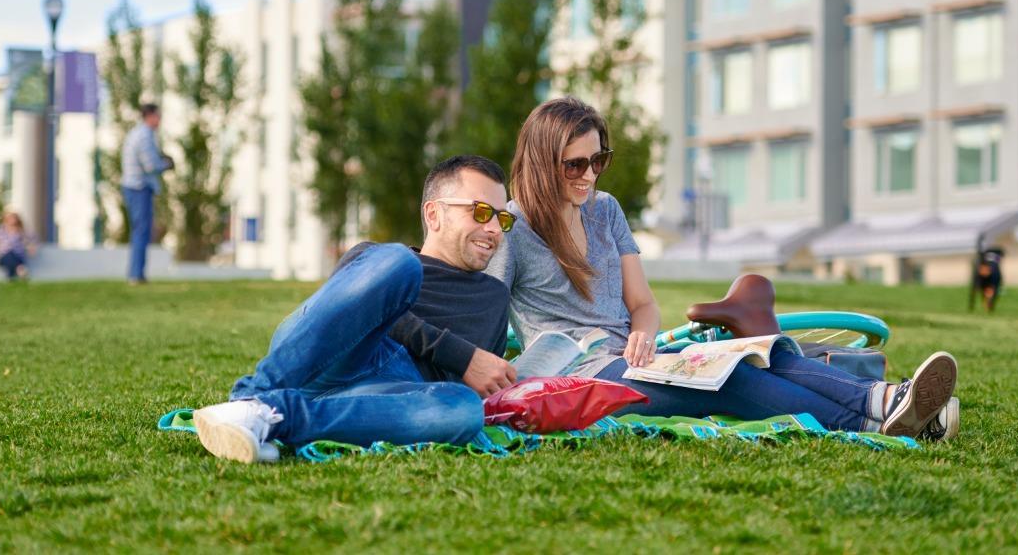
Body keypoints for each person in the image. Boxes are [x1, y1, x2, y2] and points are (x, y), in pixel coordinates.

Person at [487, 96, 959, 439]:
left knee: (760, 352)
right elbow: (482, 317)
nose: (589, 176)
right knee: (734, 379)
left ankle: (887, 401)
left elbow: (643, 304)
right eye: (575, 165)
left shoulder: (605, 208)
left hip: (635, 358)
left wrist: (643, 333)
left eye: (599, 160)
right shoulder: (512, 227)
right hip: (585, 377)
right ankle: (877, 422)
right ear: (543, 161)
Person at [192, 155, 518, 463]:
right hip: (323, 361)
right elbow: (336, 323)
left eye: (502, 218)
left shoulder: (494, 297)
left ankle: (268, 415)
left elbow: (471, 384)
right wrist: (460, 355)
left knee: (463, 411)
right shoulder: (377, 261)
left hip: (390, 394)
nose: (493, 228)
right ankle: (255, 395)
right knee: (401, 264)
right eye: (479, 212)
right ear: (433, 214)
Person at [121, 102, 172, 285]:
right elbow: (150, 165)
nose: (159, 120)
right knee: (142, 232)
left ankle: (137, 274)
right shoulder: (144, 136)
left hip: (135, 187)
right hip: (139, 188)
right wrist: (166, 164)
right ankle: (136, 275)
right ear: (149, 116)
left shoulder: (140, 134)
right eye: (157, 116)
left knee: (140, 231)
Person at [0, 211, 36, 280]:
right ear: (5, 220)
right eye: (10, 218)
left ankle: (11, 276)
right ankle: (20, 269)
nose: (12, 220)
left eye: (14, 218)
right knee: (8, 254)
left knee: (12, 255)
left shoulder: (22, 231)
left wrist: (31, 246)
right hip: (3, 257)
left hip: (18, 257)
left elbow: (32, 239)